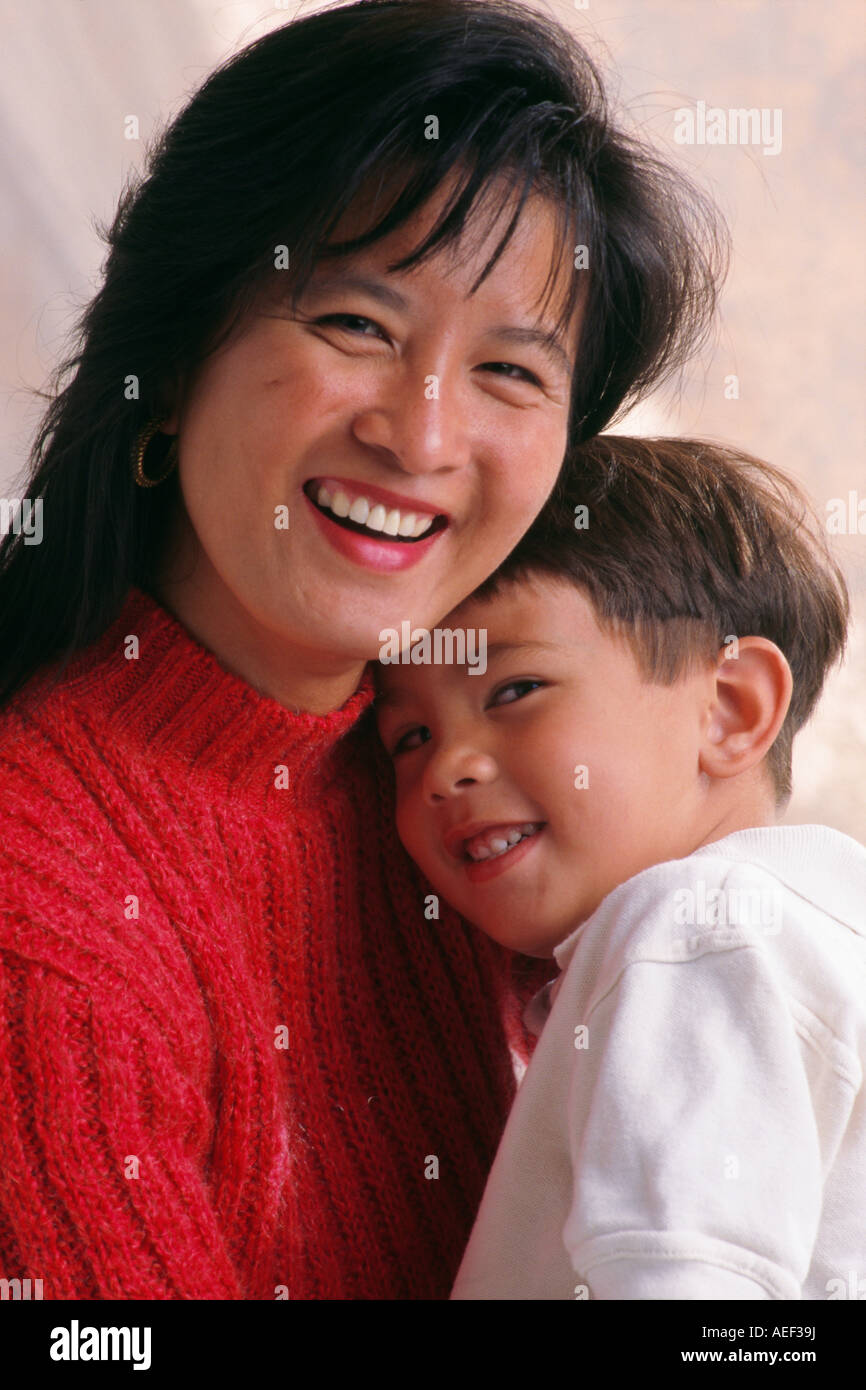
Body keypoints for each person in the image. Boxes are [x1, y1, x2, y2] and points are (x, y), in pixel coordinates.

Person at [0, 2, 724, 1299]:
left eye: (510, 371)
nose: (423, 434)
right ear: (169, 364)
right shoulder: (38, 907)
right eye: (355, 326)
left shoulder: (484, 767)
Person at [374, 434, 865, 1300]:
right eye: (408, 738)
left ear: (728, 709)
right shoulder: (802, 919)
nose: (446, 767)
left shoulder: (694, 931)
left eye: (514, 691)